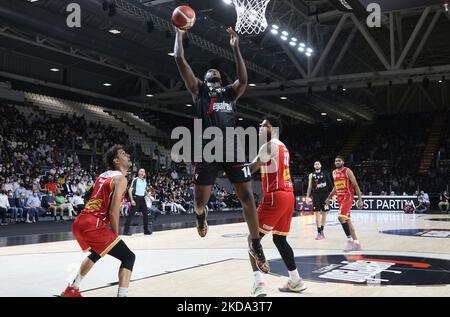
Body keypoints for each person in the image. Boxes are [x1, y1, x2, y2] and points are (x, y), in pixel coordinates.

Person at [173, 26, 268, 273]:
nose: (213, 72)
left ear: (221, 78)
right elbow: (180, 59)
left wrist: (236, 48)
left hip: (234, 148)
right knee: (199, 201)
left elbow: (244, 80)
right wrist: (179, 34)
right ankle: (200, 215)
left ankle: (256, 244)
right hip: (208, 150)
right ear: (204, 79)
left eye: (216, 71)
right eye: (209, 72)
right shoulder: (199, 91)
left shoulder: (229, 93)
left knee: (248, 197)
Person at [61, 145, 136, 297]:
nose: (127, 155)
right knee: (129, 257)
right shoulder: (120, 179)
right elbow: (114, 212)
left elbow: (89, 196)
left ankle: (72, 289)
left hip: (80, 222)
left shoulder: (103, 175)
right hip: (92, 224)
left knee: (96, 252)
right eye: (123, 153)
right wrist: (115, 234)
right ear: (116, 161)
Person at [248, 117, 306, 297]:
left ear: (272, 128)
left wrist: (231, 167)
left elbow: (251, 168)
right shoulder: (283, 146)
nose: (259, 127)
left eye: (263, 125)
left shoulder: (269, 145)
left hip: (275, 196)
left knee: (252, 239)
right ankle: (295, 280)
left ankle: (259, 285)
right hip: (289, 196)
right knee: (280, 240)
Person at [325, 156, 363, 252]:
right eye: (336, 161)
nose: (337, 162)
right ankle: (357, 244)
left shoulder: (347, 171)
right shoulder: (333, 172)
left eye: (339, 161)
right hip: (340, 197)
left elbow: (356, 185)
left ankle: (350, 241)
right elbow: (336, 187)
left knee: (340, 217)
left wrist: (360, 200)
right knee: (348, 221)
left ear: (343, 162)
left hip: (348, 196)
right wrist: (329, 196)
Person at [306, 161, 333, 240]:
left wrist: (333, 195)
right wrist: (307, 196)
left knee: (324, 213)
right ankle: (319, 232)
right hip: (316, 195)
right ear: (314, 166)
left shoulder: (325, 173)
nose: (317, 165)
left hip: (325, 195)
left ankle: (322, 230)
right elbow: (309, 187)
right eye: (315, 164)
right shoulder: (311, 175)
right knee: (317, 213)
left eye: (318, 164)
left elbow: (330, 184)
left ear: (320, 165)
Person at [123, 168, 151, 236]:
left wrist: (148, 194)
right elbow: (130, 190)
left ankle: (146, 230)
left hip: (142, 199)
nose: (142, 172)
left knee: (146, 215)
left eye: (143, 171)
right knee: (131, 215)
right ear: (138, 173)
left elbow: (143, 190)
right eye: (141, 171)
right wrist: (132, 200)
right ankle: (126, 231)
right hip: (136, 198)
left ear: (144, 174)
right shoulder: (135, 180)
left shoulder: (144, 181)